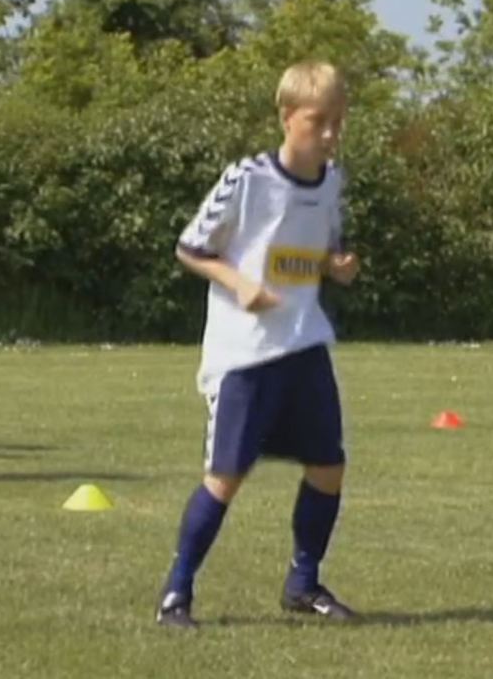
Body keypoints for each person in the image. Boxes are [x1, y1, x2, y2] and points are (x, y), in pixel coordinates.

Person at [156, 61, 361, 628]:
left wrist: (337, 266)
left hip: (304, 343)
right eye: (318, 121)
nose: (329, 134)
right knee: (226, 478)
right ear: (287, 116)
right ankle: (176, 595)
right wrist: (240, 283)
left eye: (337, 122)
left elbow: (320, 251)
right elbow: (191, 246)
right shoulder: (247, 179)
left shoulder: (331, 182)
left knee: (328, 466)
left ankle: (303, 584)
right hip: (246, 355)